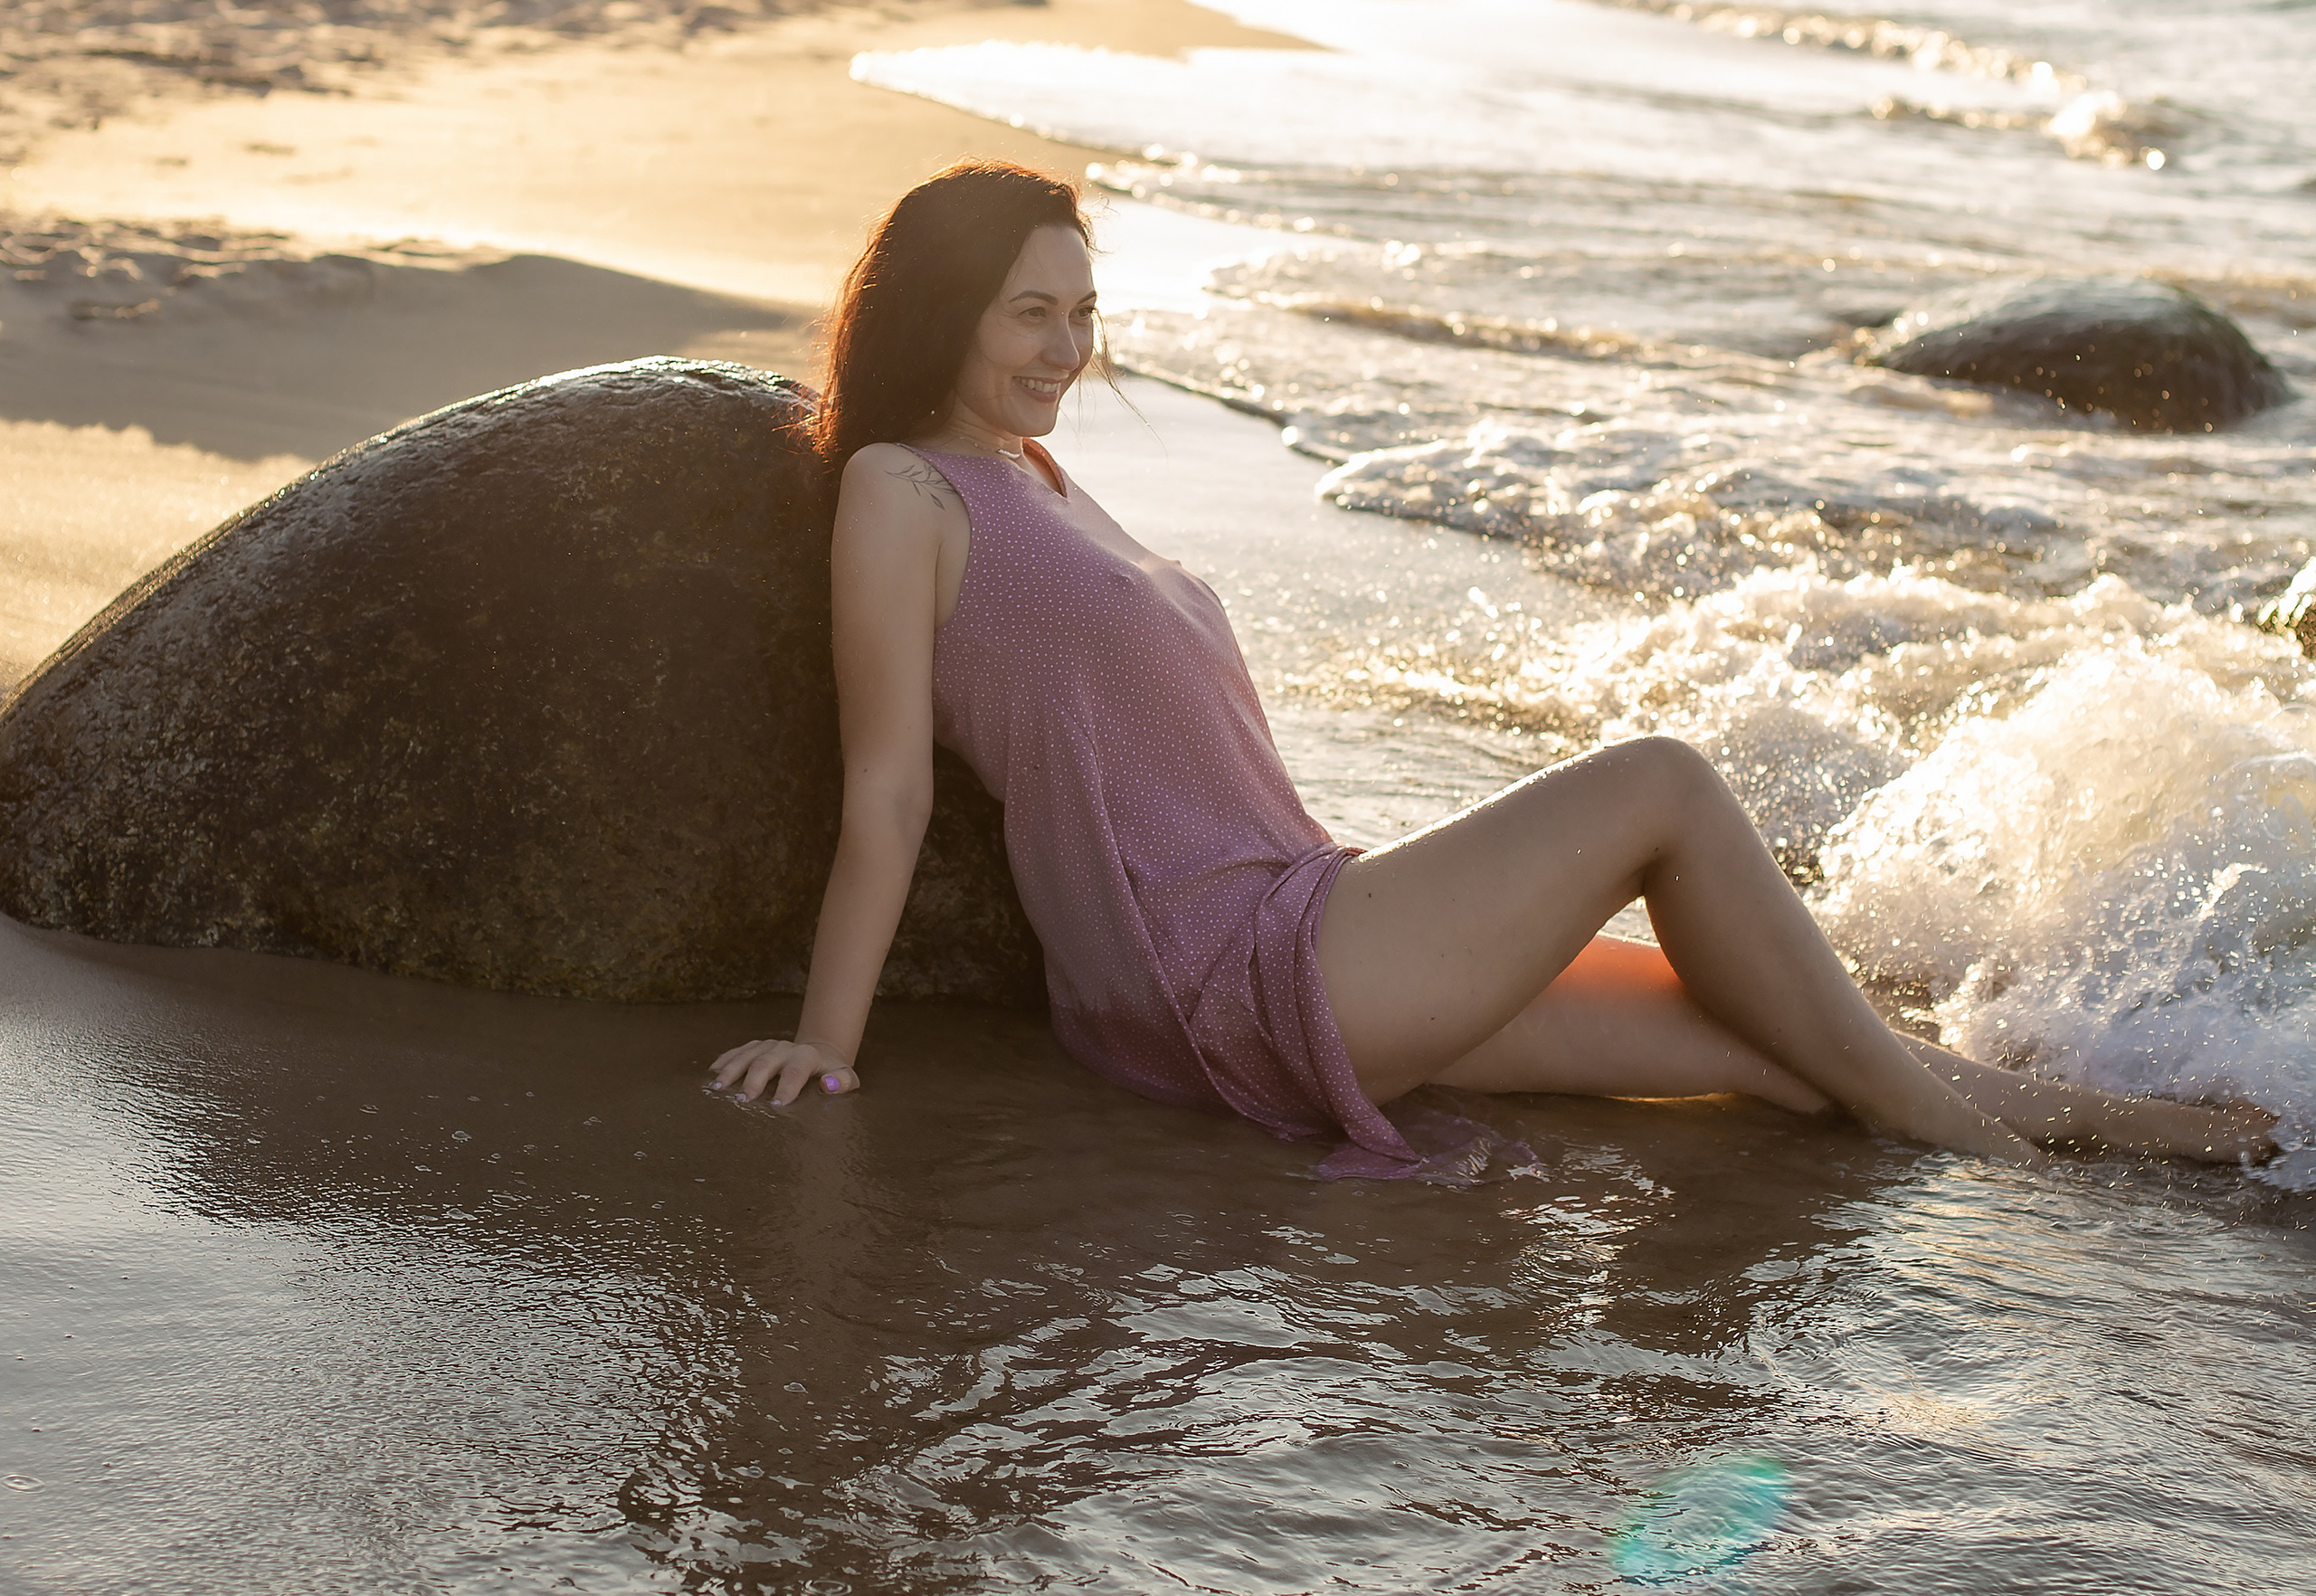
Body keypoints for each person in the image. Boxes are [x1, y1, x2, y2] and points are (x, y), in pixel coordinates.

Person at [711, 163, 2278, 1176]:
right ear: (943, 314)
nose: (1066, 348)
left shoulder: (1041, 482)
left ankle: (2111, 1119)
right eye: (1029, 313)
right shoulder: (902, 493)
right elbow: (890, 792)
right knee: (1661, 777)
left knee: (1787, 1060)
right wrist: (826, 1045)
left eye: (1086, 313)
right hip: (1247, 970)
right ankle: (1994, 1153)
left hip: (1310, 929)